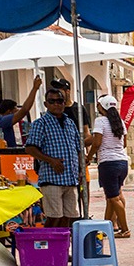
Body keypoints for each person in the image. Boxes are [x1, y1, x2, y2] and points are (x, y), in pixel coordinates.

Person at [25, 86, 84, 230]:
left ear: (65, 103)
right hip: (52, 178)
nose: (57, 104)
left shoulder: (70, 123)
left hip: (71, 178)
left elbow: (78, 148)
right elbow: (30, 148)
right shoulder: (40, 124)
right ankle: (49, 247)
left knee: (70, 217)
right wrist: (51, 160)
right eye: (52, 101)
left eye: (60, 101)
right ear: (46, 104)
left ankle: (62, 250)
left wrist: (80, 170)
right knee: (54, 216)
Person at [88, 94, 130, 238]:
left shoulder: (100, 121)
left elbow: (97, 142)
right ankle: (106, 228)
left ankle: (125, 229)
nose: (97, 107)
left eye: (98, 104)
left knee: (113, 198)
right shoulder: (120, 122)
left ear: (102, 106)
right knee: (112, 197)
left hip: (108, 163)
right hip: (122, 162)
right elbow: (124, 143)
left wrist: (89, 157)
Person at [0, 76, 42, 148]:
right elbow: (24, 110)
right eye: (15, 111)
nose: (17, 113)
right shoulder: (4, 120)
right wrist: (35, 89)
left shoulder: (0, 120)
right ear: (9, 112)